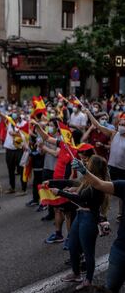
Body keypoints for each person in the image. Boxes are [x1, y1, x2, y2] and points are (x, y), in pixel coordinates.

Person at [49, 156, 108, 290]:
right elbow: (73, 183)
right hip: (81, 215)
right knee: (72, 245)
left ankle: (88, 280)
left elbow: (81, 198)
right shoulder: (88, 179)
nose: (86, 163)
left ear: (94, 167)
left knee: (88, 252)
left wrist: (60, 192)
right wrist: (53, 182)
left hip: (89, 219)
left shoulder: (97, 183)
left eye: (89, 162)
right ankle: (76, 274)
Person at [70, 158, 125, 293]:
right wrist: (83, 170)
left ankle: (87, 278)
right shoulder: (124, 185)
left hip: (119, 250)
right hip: (122, 249)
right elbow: (99, 184)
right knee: (110, 288)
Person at [85, 110, 125, 222]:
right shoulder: (113, 134)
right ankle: (103, 213)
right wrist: (89, 113)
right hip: (111, 168)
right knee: (104, 190)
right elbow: (97, 125)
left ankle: (121, 214)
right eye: (120, 124)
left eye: (124, 125)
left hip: (123, 170)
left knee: (122, 194)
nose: (121, 127)